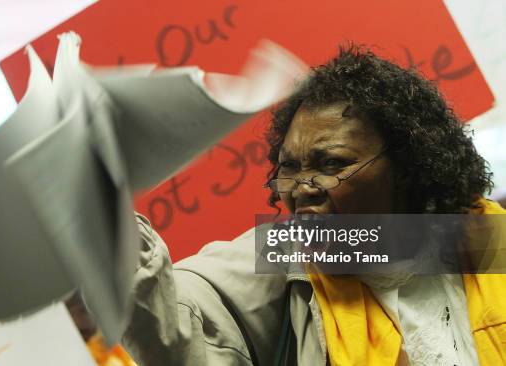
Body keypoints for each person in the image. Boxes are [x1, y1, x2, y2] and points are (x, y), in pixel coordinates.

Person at [120, 45, 506, 365]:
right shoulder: (282, 253)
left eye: (332, 164)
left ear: (409, 165)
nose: (303, 188)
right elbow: (171, 314)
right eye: (288, 168)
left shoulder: (488, 238)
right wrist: (108, 220)